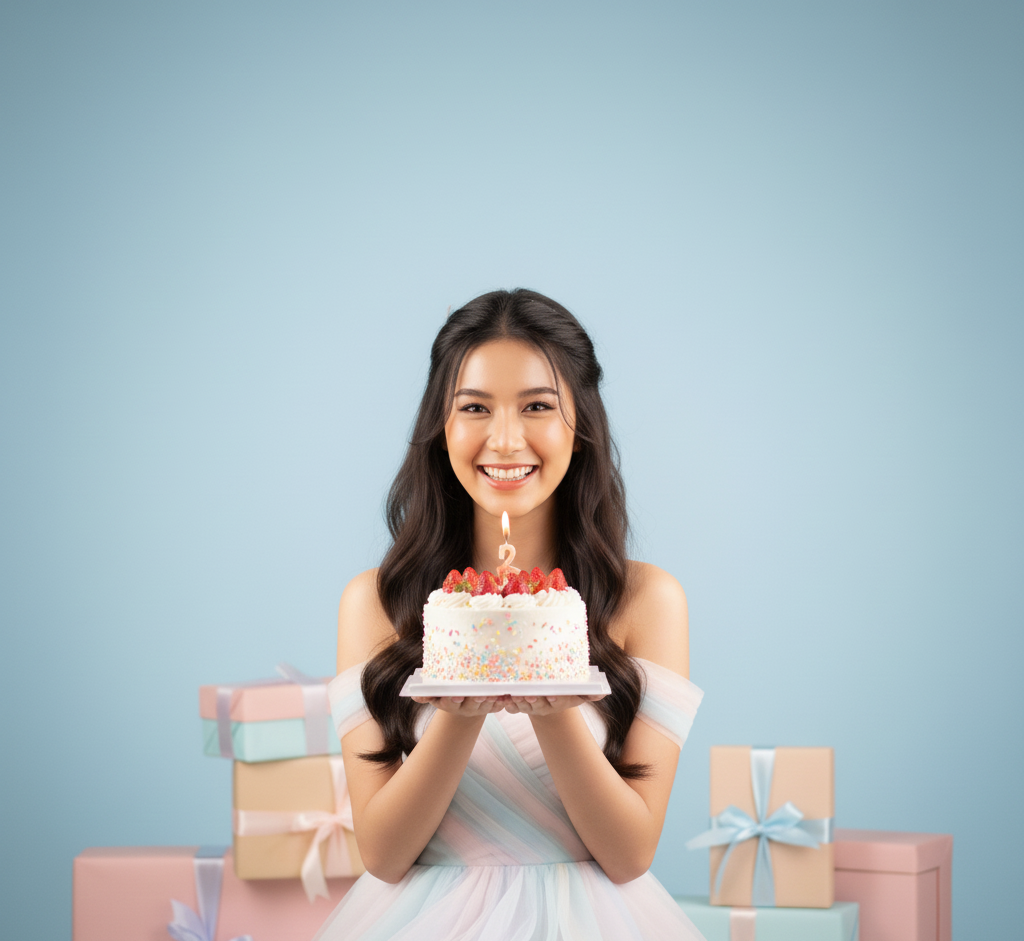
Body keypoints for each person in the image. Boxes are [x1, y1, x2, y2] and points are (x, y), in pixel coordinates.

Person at [314, 289, 706, 940]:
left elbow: (631, 852)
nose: (504, 439)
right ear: (440, 425)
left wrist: (549, 697)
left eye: (537, 406)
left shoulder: (648, 601)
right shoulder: (374, 603)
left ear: (579, 426)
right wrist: (460, 705)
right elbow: (381, 854)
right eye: (474, 407)